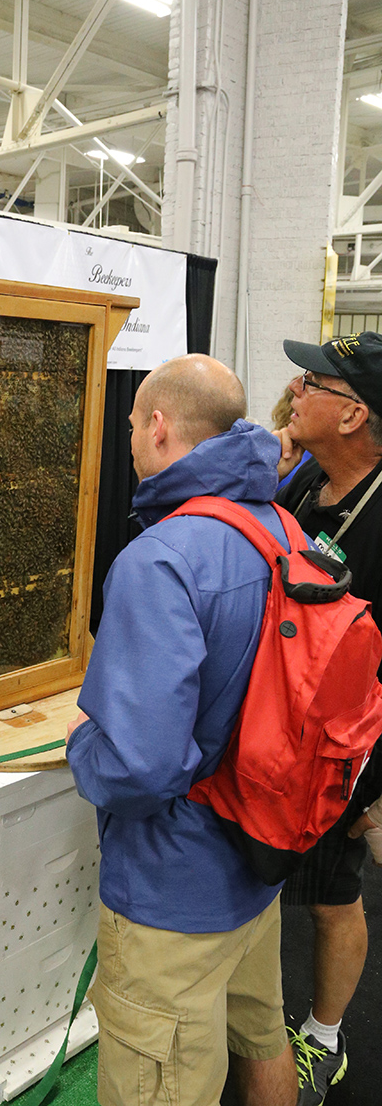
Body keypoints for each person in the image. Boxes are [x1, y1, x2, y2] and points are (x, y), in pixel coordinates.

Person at [66, 354, 298, 1106]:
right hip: (258, 866)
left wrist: (81, 741)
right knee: (263, 1039)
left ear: (159, 427)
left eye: (134, 425)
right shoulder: (280, 526)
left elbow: (139, 769)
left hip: (173, 894)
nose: (131, 439)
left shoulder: (160, 557)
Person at [274, 332, 382, 1105]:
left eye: (310, 381)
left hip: (345, 753)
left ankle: (324, 1038)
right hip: (278, 732)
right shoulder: (307, 476)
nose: (294, 389)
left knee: (331, 897)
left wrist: (371, 785)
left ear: (353, 416)